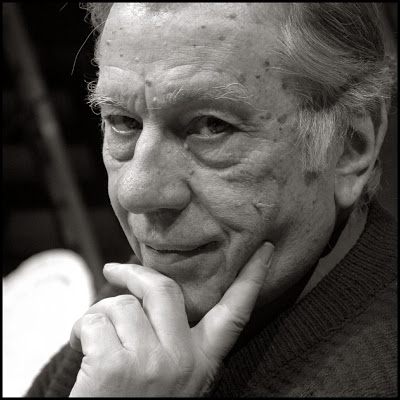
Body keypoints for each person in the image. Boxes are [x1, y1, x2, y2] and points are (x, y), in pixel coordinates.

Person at [26, 3, 397, 397]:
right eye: (123, 121)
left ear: (350, 147)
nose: (136, 192)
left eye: (211, 125)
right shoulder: (152, 290)